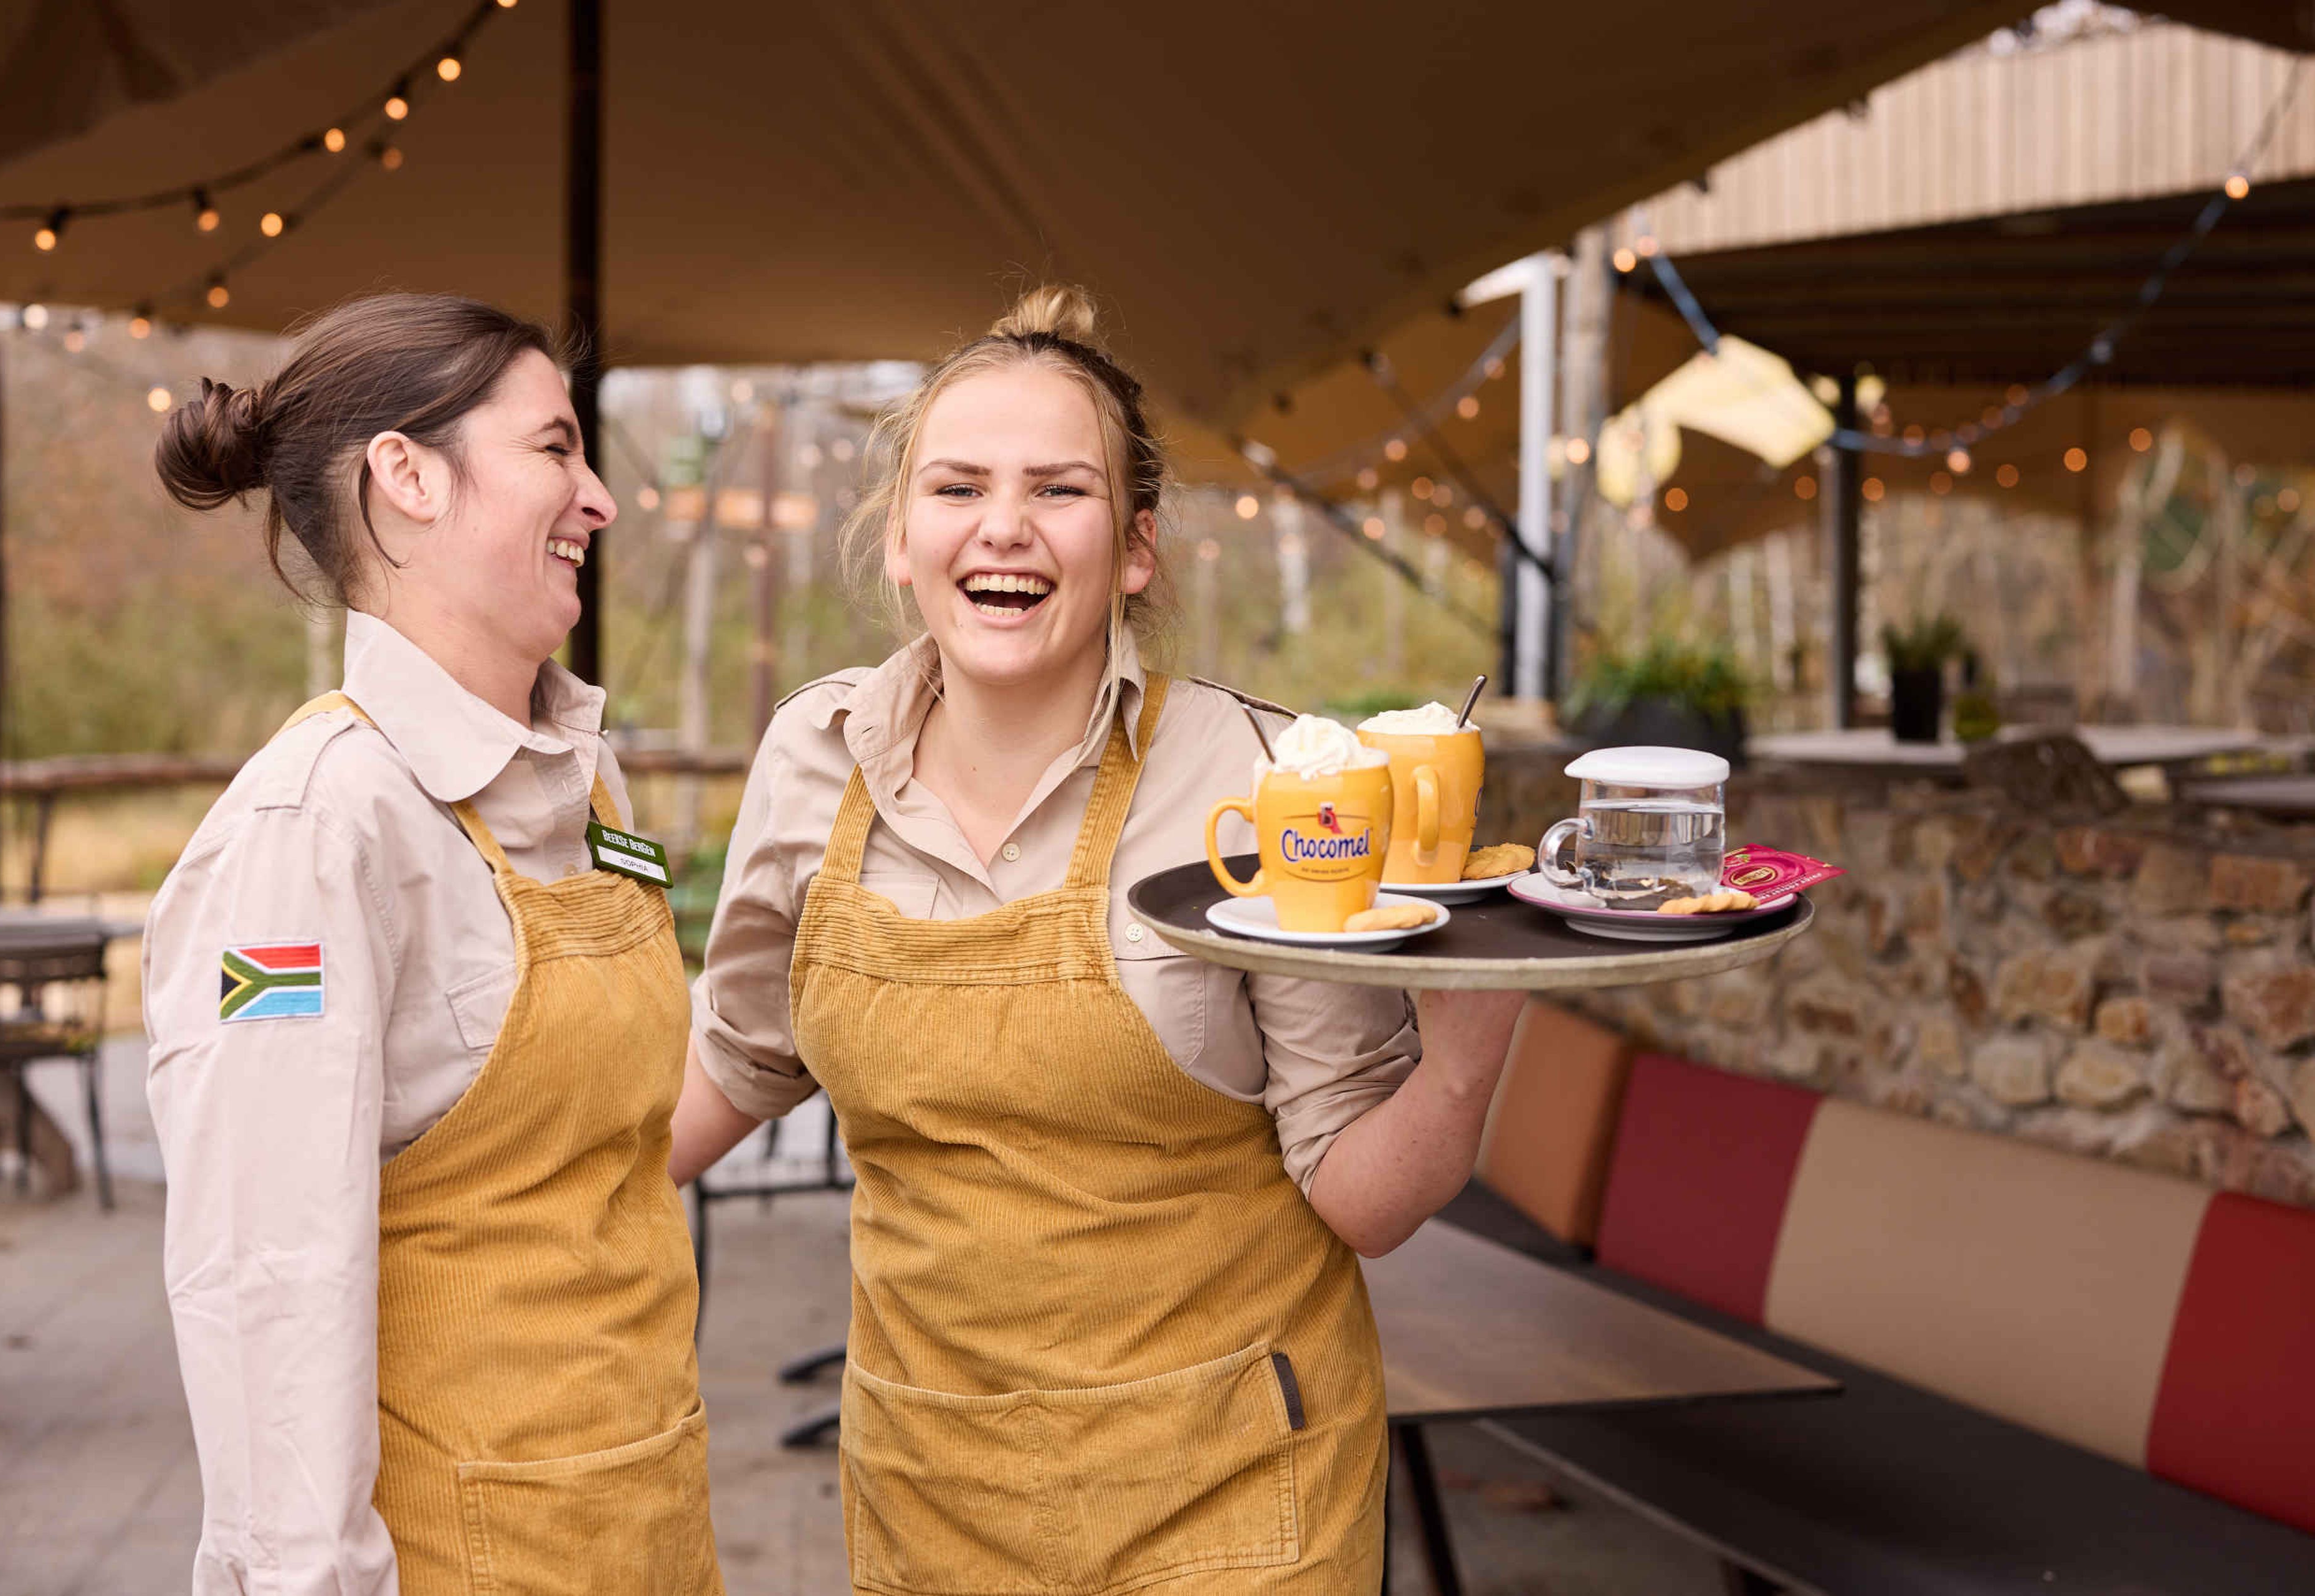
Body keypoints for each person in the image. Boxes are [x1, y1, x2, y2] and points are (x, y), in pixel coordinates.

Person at [671, 285, 1529, 1592]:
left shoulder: (1260, 779)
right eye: (956, 487)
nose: (1002, 527)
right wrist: (444, 1166)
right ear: (901, 537)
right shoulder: (813, 760)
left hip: (1227, 1502)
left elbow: (1359, 1198)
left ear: (1135, 548)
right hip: (931, 1489)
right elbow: (731, 1065)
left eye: (1058, 491)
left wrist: (1465, 1059)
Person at [144, 294, 725, 1596]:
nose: (600, 498)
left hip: (642, 1530)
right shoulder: (312, 832)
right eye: (554, 448)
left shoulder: (589, 782)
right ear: (406, 476)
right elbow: (270, 1279)